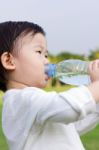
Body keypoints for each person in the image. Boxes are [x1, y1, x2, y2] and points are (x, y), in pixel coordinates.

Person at [1, 21, 99, 150]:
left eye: (46, 54)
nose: (47, 60)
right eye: (39, 52)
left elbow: (72, 125)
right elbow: (69, 109)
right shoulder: (20, 100)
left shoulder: (34, 102)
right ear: (9, 61)